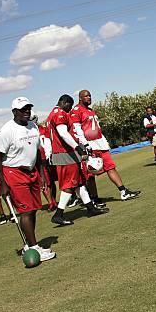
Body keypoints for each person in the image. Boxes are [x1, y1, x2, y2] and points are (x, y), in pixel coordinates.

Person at [0, 97, 55, 262]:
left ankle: (30, 243)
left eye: (28, 108)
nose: (27, 111)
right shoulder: (6, 131)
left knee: (33, 209)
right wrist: (2, 184)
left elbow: (38, 152)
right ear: (14, 112)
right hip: (13, 174)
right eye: (23, 109)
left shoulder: (33, 126)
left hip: (32, 171)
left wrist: (41, 175)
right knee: (26, 211)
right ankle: (34, 247)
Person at [47, 94, 108, 226]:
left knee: (79, 181)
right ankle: (59, 214)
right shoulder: (60, 113)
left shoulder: (53, 113)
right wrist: (77, 147)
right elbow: (63, 133)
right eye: (69, 105)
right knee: (70, 184)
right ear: (64, 102)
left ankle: (90, 208)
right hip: (65, 153)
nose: (70, 109)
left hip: (65, 152)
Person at [70, 90, 141, 203]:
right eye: (86, 96)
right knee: (90, 173)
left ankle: (123, 191)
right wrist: (85, 145)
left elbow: (97, 128)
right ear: (80, 98)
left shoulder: (90, 110)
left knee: (110, 167)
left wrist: (104, 141)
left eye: (90, 95)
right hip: (89, 145)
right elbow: (77, 130)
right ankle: (94, 198)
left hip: (100, 144)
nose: (89, 98)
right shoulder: (76, 110)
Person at [32, 115, 58, 211]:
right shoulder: (28, 133)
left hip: (47, 157)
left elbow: (48, 142)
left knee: (51, 181)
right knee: (44, 182)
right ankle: (50, 202)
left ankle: (54, 200)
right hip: (37, 160)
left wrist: (49, 154)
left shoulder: (44, 129)